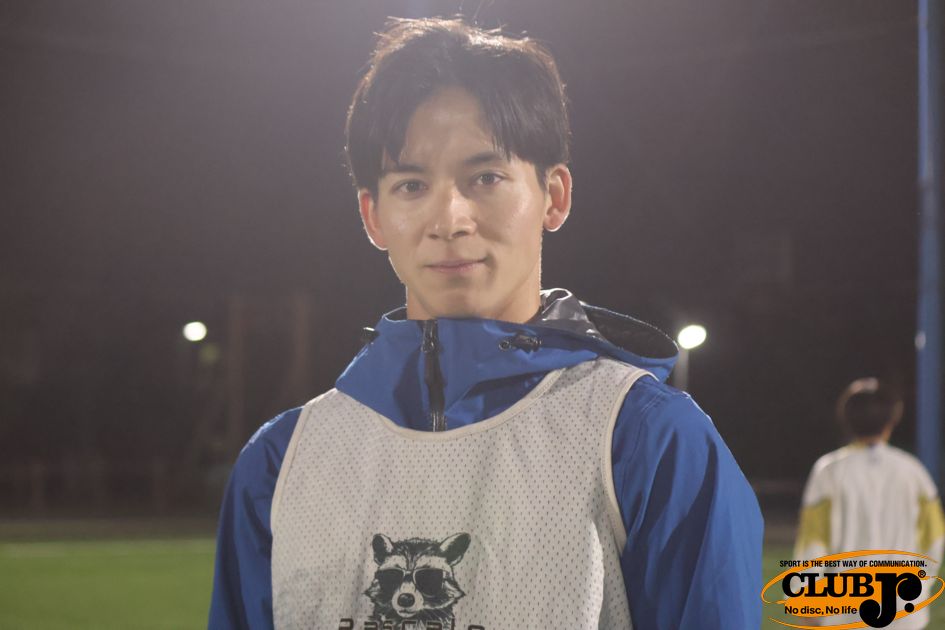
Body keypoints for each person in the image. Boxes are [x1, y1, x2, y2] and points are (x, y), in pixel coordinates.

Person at [209, 17, 762, 629]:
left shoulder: (647, 440)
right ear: (373, 216)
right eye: (411, 184)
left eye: (486, 178)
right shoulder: (282, 463)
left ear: (554, 195)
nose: (450, 218)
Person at [794, 378, 945, 629]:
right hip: (904, 610)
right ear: (892, 419)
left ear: (845, 418)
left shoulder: (829, 471)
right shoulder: (913, 471)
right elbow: (935, 539)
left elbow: (813, 543)